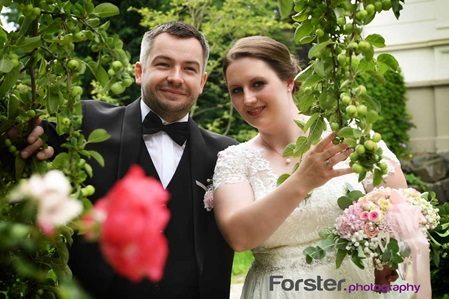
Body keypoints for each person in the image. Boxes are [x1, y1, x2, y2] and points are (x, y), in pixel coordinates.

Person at [20, 22, 238, 299]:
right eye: (163, 64)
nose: (176, 77)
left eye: (189, 69)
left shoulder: (226, 153)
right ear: (139, 72)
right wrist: (27, 135)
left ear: (202, 82)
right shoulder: (86, 122)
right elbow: (30, 135)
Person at [211, 35, 414, 298]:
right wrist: (303, 181)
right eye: (236, 90)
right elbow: (239, 237)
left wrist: (386, 254)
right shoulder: (234, 160)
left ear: (289, 81)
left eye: (258, 84)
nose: (248, 99)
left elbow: (404, 212)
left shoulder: (349, 138)